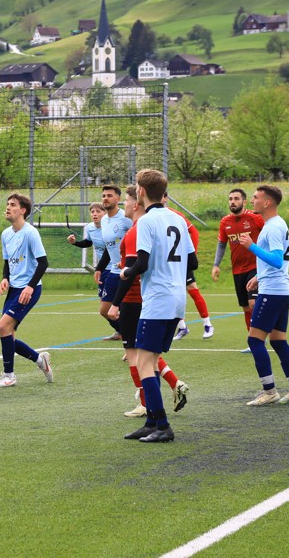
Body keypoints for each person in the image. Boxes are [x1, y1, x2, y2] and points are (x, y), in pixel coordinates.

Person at [118, 169, 196, 442]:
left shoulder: (146, 222)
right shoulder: (178, 219)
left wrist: (125, 273)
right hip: (176, 300)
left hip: (157, 299)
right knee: (148, 360)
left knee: (144, 363)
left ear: (140, 192)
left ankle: (162, 425)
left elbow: (141, 263)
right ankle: (151, 422)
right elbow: (193, 262)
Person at [238, 184, 289, 406]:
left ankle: (269, 391)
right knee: (277, 340)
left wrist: (251, 246)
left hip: (273, 292)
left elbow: (276, 260)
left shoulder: (273, 227)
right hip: (281, 290)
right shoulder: (276, 224)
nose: (252, 201)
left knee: (254, 340)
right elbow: (280, 260)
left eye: (255, 197)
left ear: (267, 202)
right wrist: (259, 276)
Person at [0, 193, 54, 387]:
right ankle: (39, 360)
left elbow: (43, 263)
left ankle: (8, 375)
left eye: (13, 205)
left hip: (29, 289)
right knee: (8, 334)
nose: (8, 207)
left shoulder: (30, 233)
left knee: (3, 326)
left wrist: (30, 286)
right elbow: (7, 261)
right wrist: (5, 278)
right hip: (14, 289)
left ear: (23, 210)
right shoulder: (6, 234)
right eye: (7, 204)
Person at [212, 188, 265, 353]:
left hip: (255, 267)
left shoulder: (255, 218)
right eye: (230, 199)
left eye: (236, 198)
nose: (233, 202)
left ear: (244, 201)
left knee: (253, 303)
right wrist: (216, 265)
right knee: (246, 308)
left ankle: (259, 339)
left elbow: (268, 236)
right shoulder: (225, 222)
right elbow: (222, 244)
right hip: (237, 271)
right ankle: (253, 341)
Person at [87, 185, 132, 342]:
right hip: (114, 271)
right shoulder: (104, 220)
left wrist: (129, 263)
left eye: (109, 195)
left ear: (118, 199)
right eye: (104, 196)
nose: (106, 198)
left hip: (129, 271)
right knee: (105, 310)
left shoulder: (126, 218)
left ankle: (132, 340)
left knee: (128, 309)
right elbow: (109, 246)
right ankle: (124, 333)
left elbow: (138, 239)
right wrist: (99, 268)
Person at [169, 204, 215, 341]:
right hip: (167, 262)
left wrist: (191, 253)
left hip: (180, 259)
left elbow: (194, 231)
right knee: (171, 294)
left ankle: (208, 325)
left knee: (192, 289)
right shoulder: (150, 215)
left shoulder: (176, 215)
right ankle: (182, 327)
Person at [67, 202, 110, 334]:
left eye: (98, 211)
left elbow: (110, 250)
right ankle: (120, 330)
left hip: (114, 268)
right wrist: (75, 242)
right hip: (102, 270)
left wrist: (99, 268)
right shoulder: (90, 228)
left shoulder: (110, 227)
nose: (95, 214)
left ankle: (125, 330)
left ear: (105, 213)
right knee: (104, 305)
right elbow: (88, 242)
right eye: (92, 212)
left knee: (111, 304)